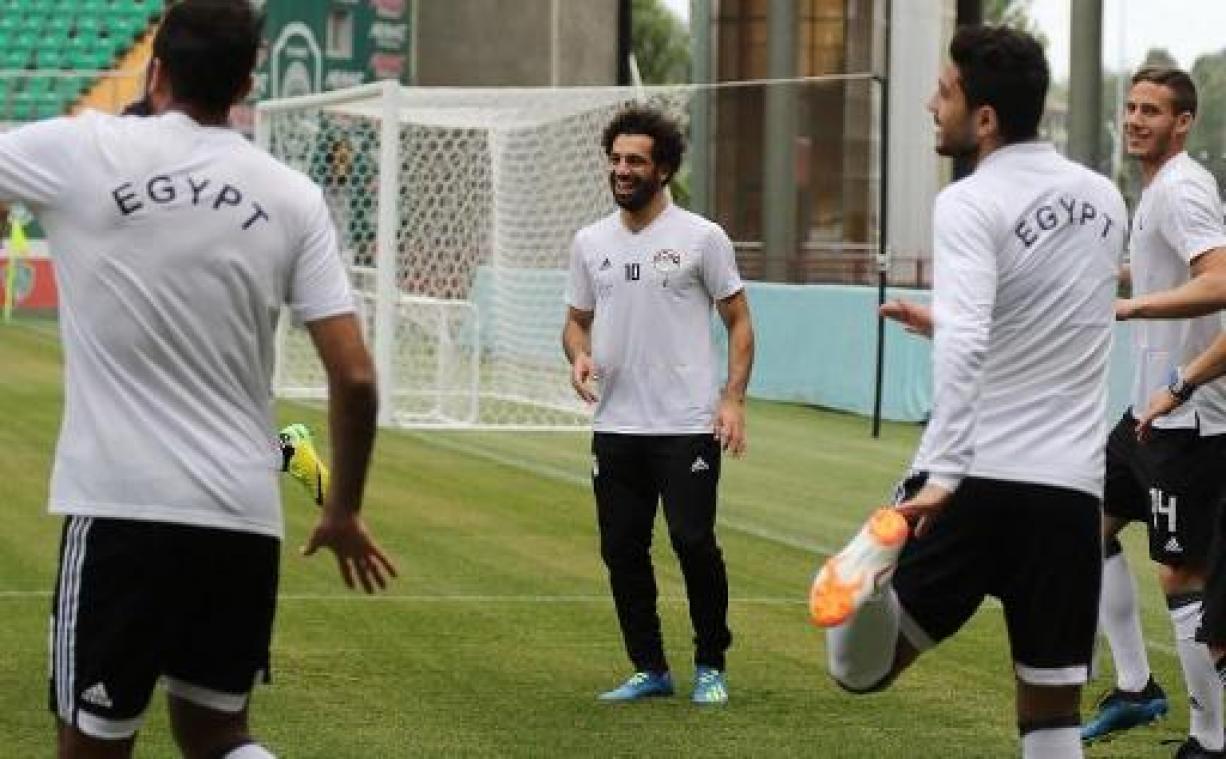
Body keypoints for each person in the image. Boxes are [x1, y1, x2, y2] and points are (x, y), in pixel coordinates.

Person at [0, 2, 397, 756]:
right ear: (247, 85)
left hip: (121, 507)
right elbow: (354, 376)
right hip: (242, 517)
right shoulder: (292, 195)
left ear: (155, 70)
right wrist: (342, 508)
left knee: (91, 745)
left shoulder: (83, 148)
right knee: (217, 733)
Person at [811, 26, 1126, 759]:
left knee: (860, 670)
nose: (931, 104)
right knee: (1051, 709)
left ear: (984, 118)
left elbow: (970, 341)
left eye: (945, 92)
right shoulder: (1107, 199)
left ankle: (869, 567)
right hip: (1070, 494)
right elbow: (1063, 316)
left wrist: (944, 474)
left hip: (976, 480)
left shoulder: (969, 201)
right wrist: (947, 322)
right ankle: (872, 569)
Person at [562, 104, 754, 705]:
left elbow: (739, 321)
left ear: (663, 169)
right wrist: (578, 355)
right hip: (616, 424)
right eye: (616, 159)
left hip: (686, 424)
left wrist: (732, 399)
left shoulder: (702, 238)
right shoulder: (590, 242)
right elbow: (575, 321)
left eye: (635, 161)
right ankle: (650, 668)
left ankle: (711, 664)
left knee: (693, 542)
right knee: (621, 549)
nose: (622, 170)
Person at [1079, 68, 1226, 757]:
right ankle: (1137, 688)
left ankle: (1209, 737)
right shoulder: (1157, 189)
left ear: (1184, 122)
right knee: (1083, 522)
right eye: (1132, 107)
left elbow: (1219, 280)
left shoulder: (1183, 189)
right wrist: (1108, 280)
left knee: (1181, 575)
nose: (1136, 119)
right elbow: (1168, 270)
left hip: (1191, 421)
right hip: (1146, 413)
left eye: (1153, 110)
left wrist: (1134, 307)